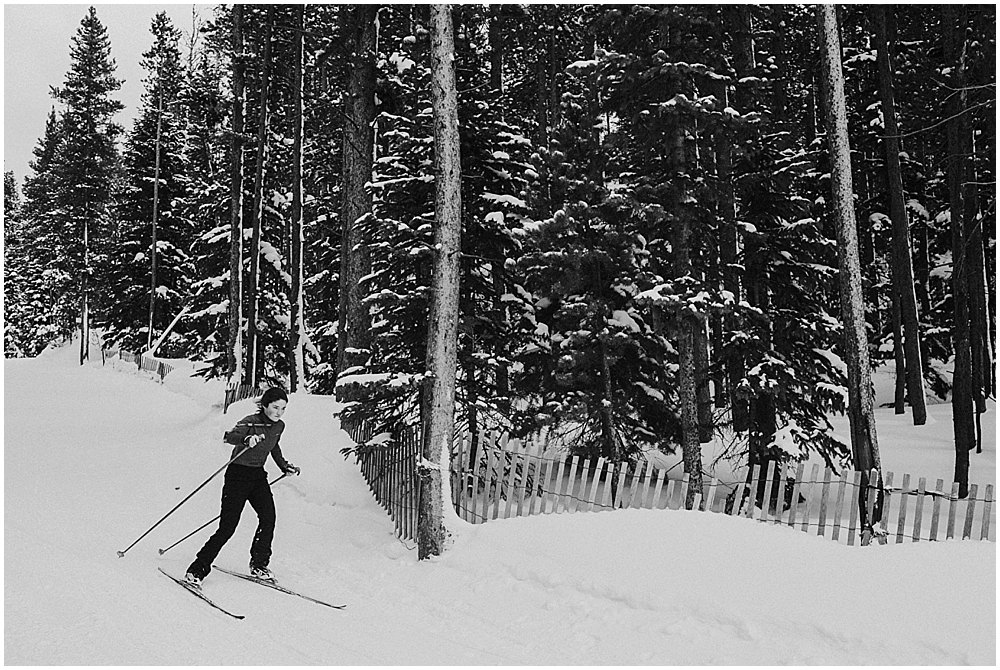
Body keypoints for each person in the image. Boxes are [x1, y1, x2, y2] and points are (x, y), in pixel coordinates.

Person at [185, 388, 300, 586]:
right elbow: (228, 436)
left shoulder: (279, 426)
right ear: (264, 405)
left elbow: (274, 447)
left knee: (268, 518)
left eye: (283, 408)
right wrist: (246, 439)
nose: (279, 412)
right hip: (237, 475)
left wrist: (284, 466)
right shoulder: (250, 422)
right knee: (228, 527)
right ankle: (196, 570)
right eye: (275, 407)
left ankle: (259, 565)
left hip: (257, 476)